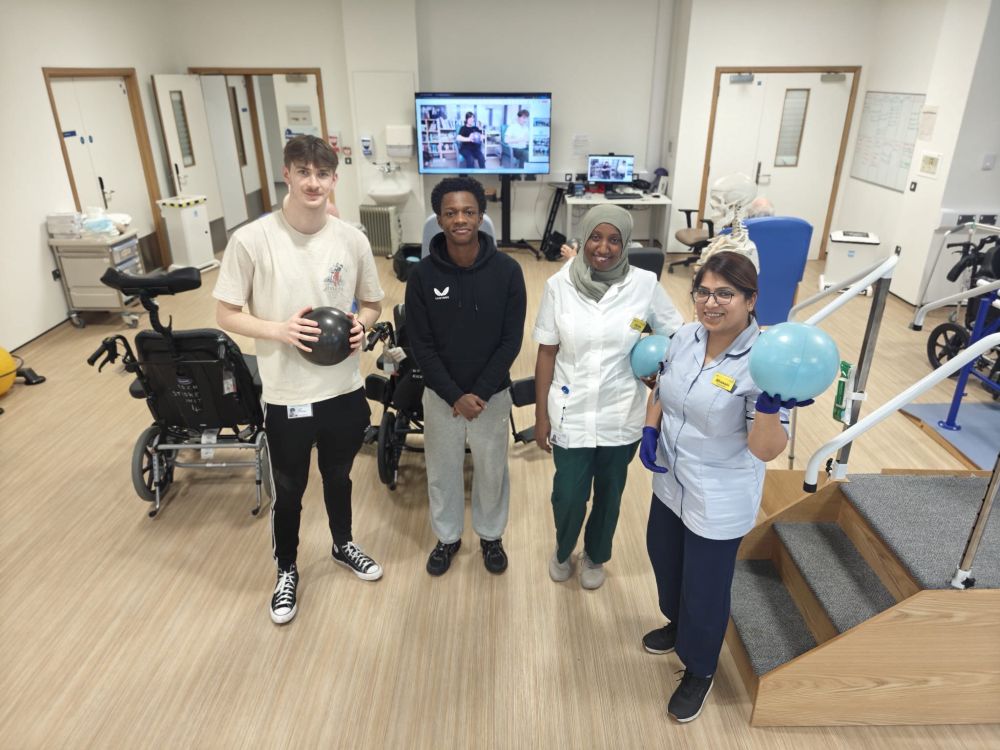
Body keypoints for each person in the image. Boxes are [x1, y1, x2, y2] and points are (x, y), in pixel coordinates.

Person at [214, 135, 385, 626]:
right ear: (286, 174)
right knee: (289, 490)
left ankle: (343, 544)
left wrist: (362, 325)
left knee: (339, 477)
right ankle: (286, 568)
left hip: (344, 391)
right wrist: (279, 330)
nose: (314, 183)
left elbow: (371, 302)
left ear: (334, 179)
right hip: (289, 396)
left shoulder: (351, 238)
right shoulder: (252, 239)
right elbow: (225, 312)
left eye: (323, 174)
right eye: (303, 172)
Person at [639, 251, 809, 722]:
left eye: (725, 294)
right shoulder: (687, 337)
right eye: (703, 292)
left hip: (720, 490)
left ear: (751, 300)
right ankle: (676, 624)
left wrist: (771, 406)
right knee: (664, 558)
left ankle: (699, 668)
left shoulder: (767, 362)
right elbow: (661, 386)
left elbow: (766, 450)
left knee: (706, 586)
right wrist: (651, 426)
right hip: (671, 477)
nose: (711, 303)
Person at [533, 205, 684, 589]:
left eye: (614, 239)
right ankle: (563, 547)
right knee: (568, 494)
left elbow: (677, 333)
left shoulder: (645, 284)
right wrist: (541, 418)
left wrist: (656, 364)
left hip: (622, 410)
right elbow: (547, 351)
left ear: (625, 243)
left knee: (610, 494)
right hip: (572, 410)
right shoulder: (559, 285)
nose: (604, 248)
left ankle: (596, 555)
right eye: (596, 238)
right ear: (582, 239)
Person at [405, 176, 527, 576]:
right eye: (451, 212)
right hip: (442, 397)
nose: (460, 219)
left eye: (468, 212)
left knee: (492, 469)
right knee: (442, 471)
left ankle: (491, 536)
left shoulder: (508, 271)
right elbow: (420, 345)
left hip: (491, 395)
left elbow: (511, 340)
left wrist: (480, 391)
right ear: (438, 220)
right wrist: (455, 394)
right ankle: (447, 538)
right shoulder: (421, 276)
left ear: (481, 216)